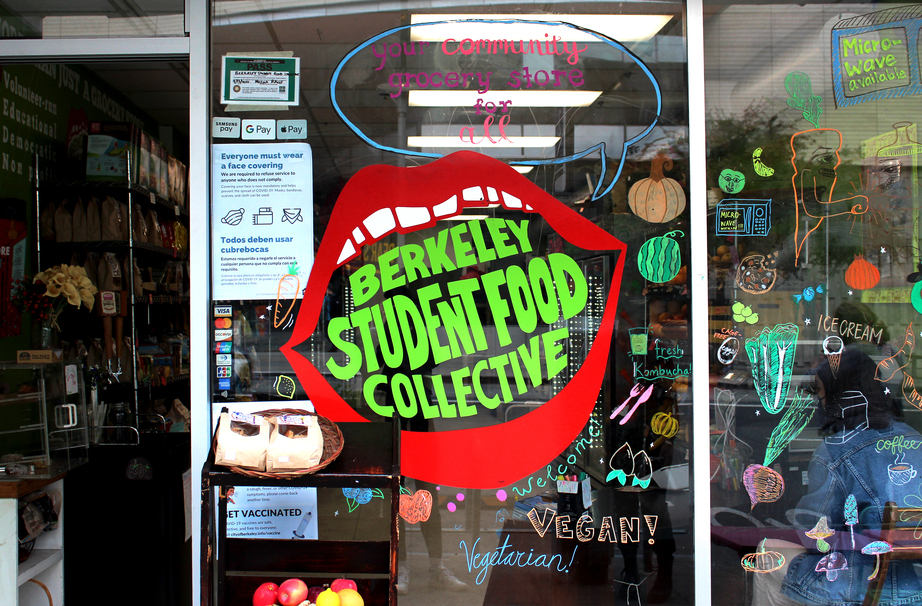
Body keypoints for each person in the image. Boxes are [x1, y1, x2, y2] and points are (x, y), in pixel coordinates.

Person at [752, 347, 922, 605]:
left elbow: (814, 534)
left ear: (839, 397)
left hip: (857, 587)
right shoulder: (914, 437)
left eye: (821, 394)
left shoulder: (833, 451)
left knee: (767, 551)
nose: (819, 403)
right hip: (916, 585)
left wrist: (788, 510)